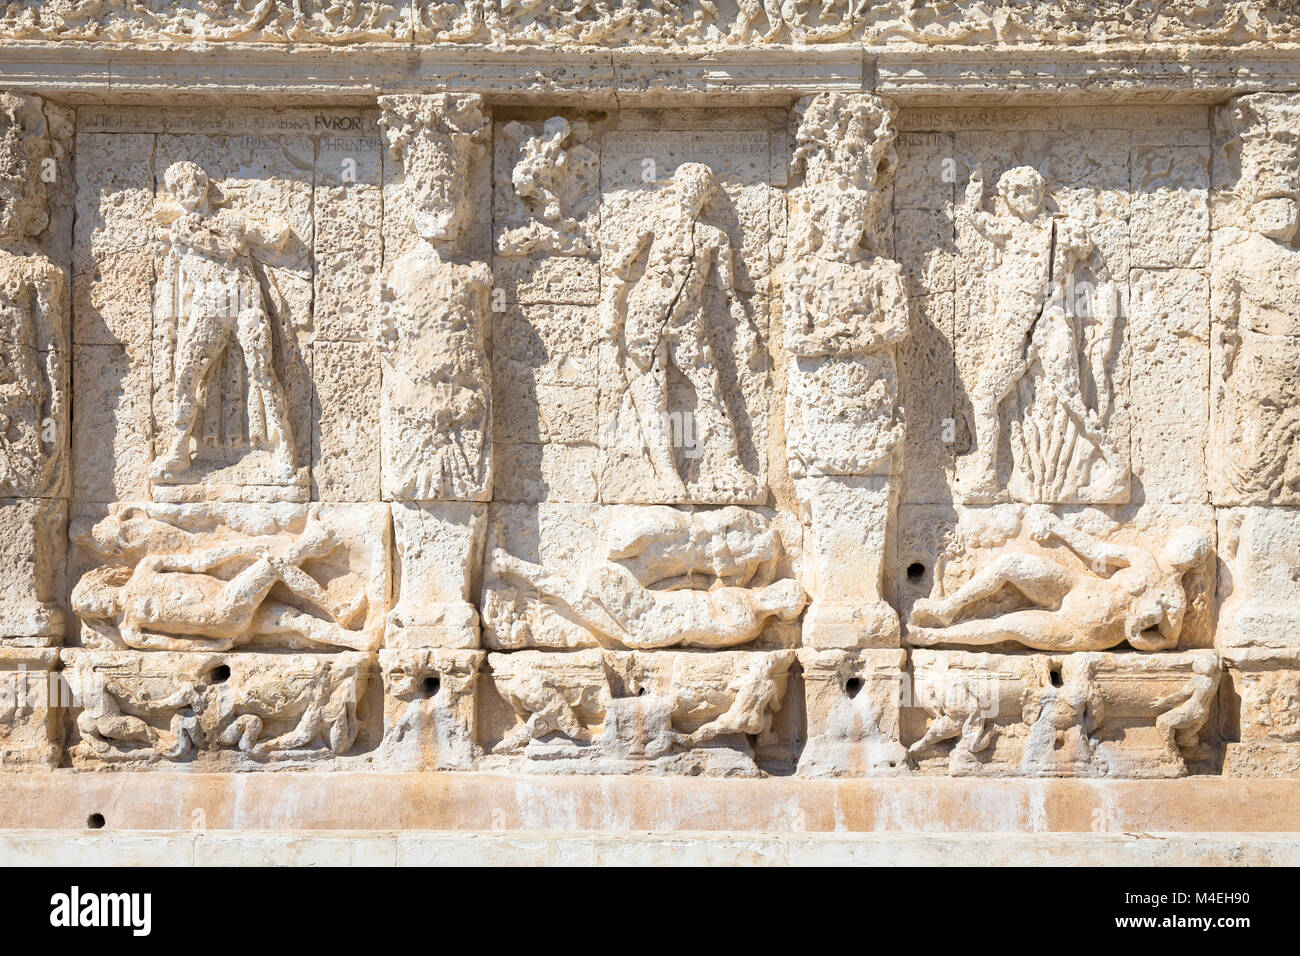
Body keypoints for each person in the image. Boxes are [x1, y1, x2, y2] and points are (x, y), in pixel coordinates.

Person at [602, 162, 753, 494]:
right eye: (687, 188)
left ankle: (729, 461)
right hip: (646, 317)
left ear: (705, 197)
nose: (691, 196)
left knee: (708, 385)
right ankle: (667, 474)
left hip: (687, 321)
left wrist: (745, 330)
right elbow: (619, 268)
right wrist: (610, 314)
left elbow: (728, 292)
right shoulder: (653, 223)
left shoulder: (714, 237)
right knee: (653, 394)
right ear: (676, 190)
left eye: (699, 191)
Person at [151, 161, 295, 481]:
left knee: (262, 371)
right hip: (211, 304)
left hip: (244, 300)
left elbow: (273, 235)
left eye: (189, 184)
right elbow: (205, 252)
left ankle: (285, 445)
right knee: (187, 372)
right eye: (176, 190)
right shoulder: (182, 230)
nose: (184, 193)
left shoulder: (232, 219)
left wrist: (281, 208)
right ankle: (179, 446)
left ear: (202, 184)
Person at [908, 507, 1211, 651]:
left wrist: (1137, 634)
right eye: (1181, 541)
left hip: (1084, 632)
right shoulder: (1143, 558)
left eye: (1189, 548)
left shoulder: (1174, 600)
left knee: (1007, 625)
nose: (1180, 548)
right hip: (1076, 588)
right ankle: (947, 608)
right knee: (1013, 563)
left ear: (1194, 561)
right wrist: (1056, 526)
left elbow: (1167, 641)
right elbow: (1096, 551)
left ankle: (935, 637)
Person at [72, 519, 369, 652]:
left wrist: (243, 547)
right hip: (220, 613)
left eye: (94, 603)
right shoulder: (130, 630)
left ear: (101, 586)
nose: (100, 610)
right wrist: (210, 648)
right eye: (93, 613)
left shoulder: (146, 567)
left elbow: (201, 561)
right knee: (274, 564)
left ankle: (356, 642)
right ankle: (338, 605)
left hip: (228, 605)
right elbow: (176, 645)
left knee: (293, 619)